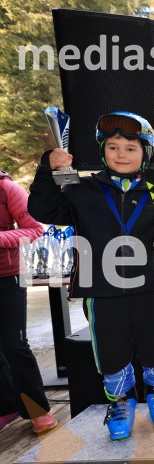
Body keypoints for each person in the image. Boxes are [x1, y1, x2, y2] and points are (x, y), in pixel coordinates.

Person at [29, 112, 154, 440]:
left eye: (131, 148)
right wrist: (48, 169)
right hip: (101, 289)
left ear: (145, 152)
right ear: (102, 150)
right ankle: (120, 401)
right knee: (110, 350)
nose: (121, 154)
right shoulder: (82, 189)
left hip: (150, 287)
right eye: (113, 147)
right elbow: (43, 210)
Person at [0, 171, 57, 434]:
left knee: (14, 345)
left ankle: (37, 410)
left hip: (7, 277)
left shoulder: (6, 188)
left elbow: (34, 229)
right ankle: (7, 407)